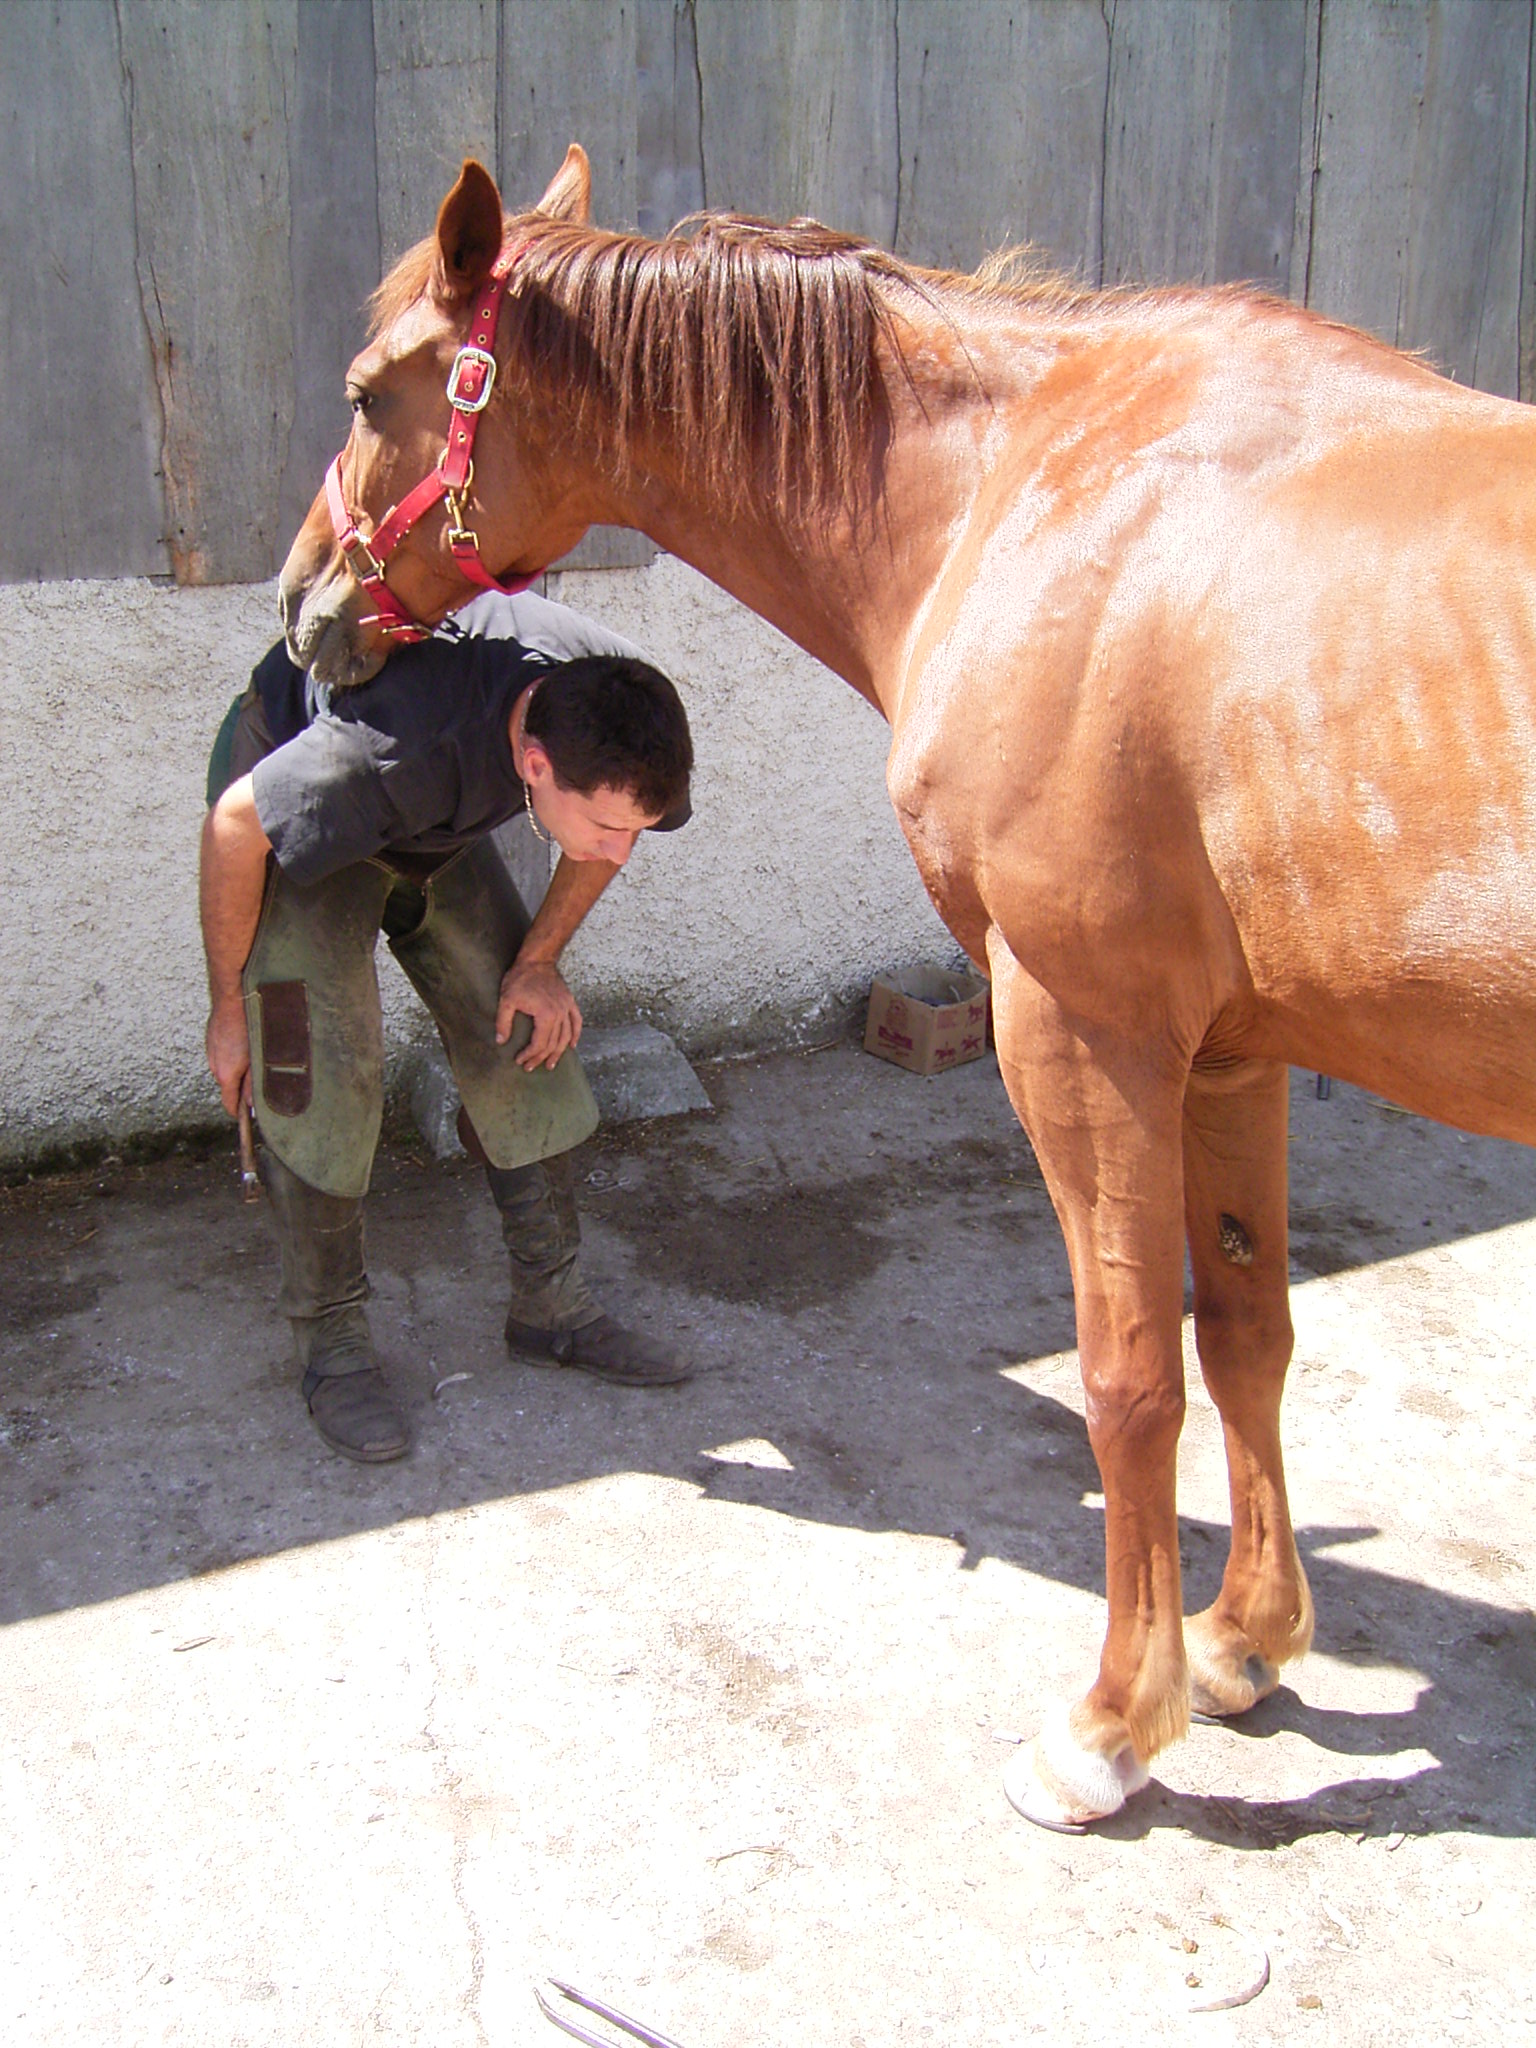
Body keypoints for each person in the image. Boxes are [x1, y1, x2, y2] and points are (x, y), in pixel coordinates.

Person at [200, 590, 695, 1465]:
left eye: (634, 830)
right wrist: (227, 1010)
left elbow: (615, 831)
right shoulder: (385, 752)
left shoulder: (625, 716)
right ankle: (333, 1350)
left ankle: (552, 1308)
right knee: (318, 1075)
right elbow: (233, 829)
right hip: (299, 818)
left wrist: (538, 960)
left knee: (525, 1029)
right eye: (606, 828)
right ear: (535, 764)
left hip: (433, 818)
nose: (619, 850)